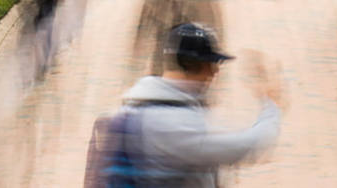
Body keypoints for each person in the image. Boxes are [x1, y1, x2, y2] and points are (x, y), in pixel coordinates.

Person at [95, 23, 281, 188]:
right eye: (210, 63)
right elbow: (244, 147)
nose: (215, 71)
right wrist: (272, 108)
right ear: (190, 63)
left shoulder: (152, 106)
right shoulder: (168, 122)